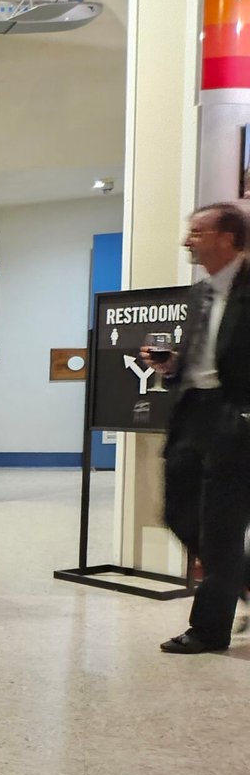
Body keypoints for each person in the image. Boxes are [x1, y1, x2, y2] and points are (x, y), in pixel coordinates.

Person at [140, 202, 250, 653]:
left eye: (198, 232)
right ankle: (239, 576)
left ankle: (208, 630)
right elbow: (200, 357)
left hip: (235, 415)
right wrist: (172, 366)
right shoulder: (200, 293)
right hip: (192, 414)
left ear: (228, 238)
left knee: (221, 525)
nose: (187, 240)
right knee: (177, 513)